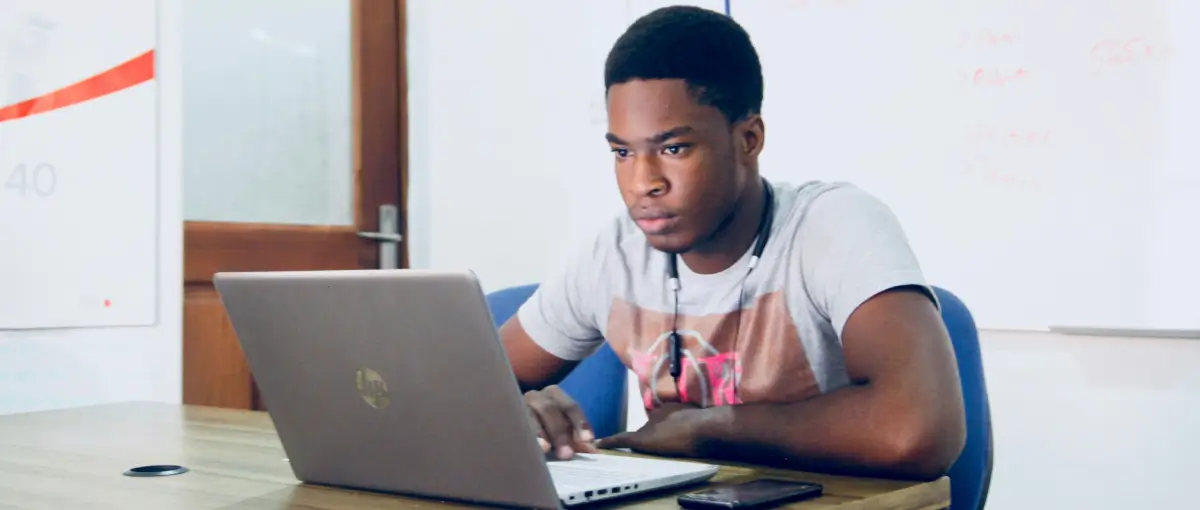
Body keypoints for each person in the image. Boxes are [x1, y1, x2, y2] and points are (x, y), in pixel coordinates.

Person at [499, 5, 965, 481]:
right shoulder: (615, 252)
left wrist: (710, 429)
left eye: (673, 149)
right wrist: (519, 408)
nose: (643, 183)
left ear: (748, 138)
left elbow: (917, 431)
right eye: (622, 152)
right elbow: (455, 391)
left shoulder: (833, 226)